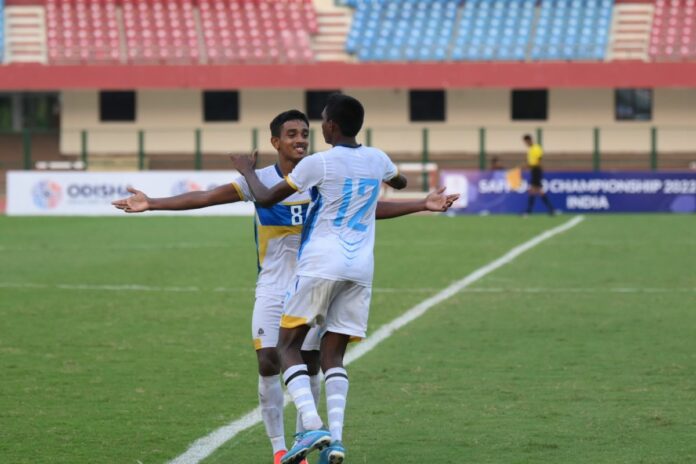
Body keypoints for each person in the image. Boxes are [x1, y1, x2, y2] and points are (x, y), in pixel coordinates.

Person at [114, 109, 458, 464]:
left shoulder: (320, 173)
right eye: (291, 134)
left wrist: (420, 204)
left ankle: (304, 440)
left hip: (313, 279)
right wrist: (152, 203)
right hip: (273, 284)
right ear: (275, 142)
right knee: (268, 362)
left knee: (307, 363)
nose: (300, 140)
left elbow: (371, 207)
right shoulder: (261, 180)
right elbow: (206, 197)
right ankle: (279, 448)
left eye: (305, 133)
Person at [230, 94, 427, 464]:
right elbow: (398, 181)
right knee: (332, 356)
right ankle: (335, 441)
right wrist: (413, 193)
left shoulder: (317, 164)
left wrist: (247, 170)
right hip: (361, 270)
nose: (316, 129)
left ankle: (313, 426)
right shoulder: (377, 158)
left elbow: (268, 197)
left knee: (286, 348)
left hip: (321, 265)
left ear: (331, 126)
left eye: (320, 122)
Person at [522, 134, 555, 215]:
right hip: (534, 170)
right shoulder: (530, 149)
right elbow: (531, 162)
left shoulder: (536, 148)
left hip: (537, 170)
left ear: (529, 140)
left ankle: (529, 211)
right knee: (536, 191)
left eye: (526, 141)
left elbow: (538, 161)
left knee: (534, 190)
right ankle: (551, 209)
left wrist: (528, 166)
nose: (526, 143)